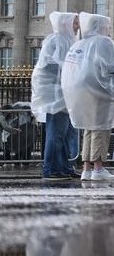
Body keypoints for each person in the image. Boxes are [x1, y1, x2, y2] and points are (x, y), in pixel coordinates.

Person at [61, 12, 114, 181]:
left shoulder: (80, 43)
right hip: (99, 91)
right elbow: (113, 67)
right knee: (100, 128)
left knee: (88, 128)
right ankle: (98, 168)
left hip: (80, 92)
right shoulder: (103, 42)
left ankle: (86, 168)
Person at [31, 11, 78, 180]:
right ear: (65, 23)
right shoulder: (57, 40)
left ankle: (64, 167)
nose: (78, 25)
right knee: (56, 134)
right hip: (56, 96)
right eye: (75, 22)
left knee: (63, 135)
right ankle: (50, 169)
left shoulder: (66, 40)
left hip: (63, 96)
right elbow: (56, 67)